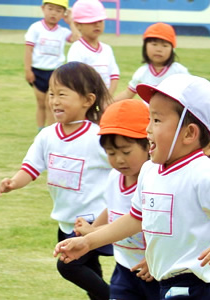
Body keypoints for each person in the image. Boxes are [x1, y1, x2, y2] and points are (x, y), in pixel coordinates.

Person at [54, 74, 210, 299]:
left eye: (156, 120)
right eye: (149, 119)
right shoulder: (150, 171)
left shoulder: (202, 173)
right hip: (166, 283)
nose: (147, 130)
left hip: (197, 285)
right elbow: (135, 218)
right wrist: (88, 241)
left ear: (189, 133)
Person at [0, 61, 113, 300]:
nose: (55, 101)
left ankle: (114, 296)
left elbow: (122, 166)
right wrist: (14, 182)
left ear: (88, 100)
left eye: (62, 94)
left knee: (69, 265)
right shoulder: (47, 135)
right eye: (51, 94)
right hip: (65, 220)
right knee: (89, 270)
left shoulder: (97, 136)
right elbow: (31, 167)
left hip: (93, 220)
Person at [74, 99, 160, 299]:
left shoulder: (156, 180)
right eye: (111, 153)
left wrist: (156, 258)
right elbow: (112, 208)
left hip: (155, 273)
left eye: (126, 152)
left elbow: (150, 224)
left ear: (149, 144)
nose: (119, 159)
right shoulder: (114, 177)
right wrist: (93, 229)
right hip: (124, 270)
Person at [24, 0, 80, 131]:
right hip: (37, 71)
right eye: (50, 9)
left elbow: (77, 39)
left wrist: (71, 22)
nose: (53, 13)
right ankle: (40, 130)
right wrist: (28, 70)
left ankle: (51, 131)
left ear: (64, 13)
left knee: (51, 104)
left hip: (55, 73)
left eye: (59, 10)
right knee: (40, 103)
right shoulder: (35, 28)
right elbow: (28, 50)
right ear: (43, 8)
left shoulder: (63, 31)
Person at [114, 22, 189, 101]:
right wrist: (107, 105)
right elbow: (128, 94)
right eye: (154, 44)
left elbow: (191, 94)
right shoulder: (142, 72)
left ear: (172, 49)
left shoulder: (179, 72)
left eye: (165, 45)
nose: (159, 49)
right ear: (145, 47)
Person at [68, 0, 120, 96]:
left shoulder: (107, 49)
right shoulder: (77, 49)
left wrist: (107, 97)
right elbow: (75, 78)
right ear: (78, 25)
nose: (97, 25)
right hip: (85, 100)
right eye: (91, 21)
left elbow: (114, 75)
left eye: (100, 21)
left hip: (104, 99)